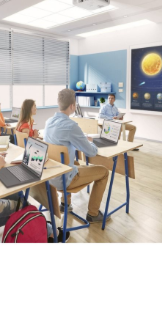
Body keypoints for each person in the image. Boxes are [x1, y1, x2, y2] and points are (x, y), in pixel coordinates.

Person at [42, 88, 110, 223]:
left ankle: (65, 204)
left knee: (74, 163)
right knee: (104, 172)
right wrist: (90, 142)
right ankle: (93, 214)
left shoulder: (48, 121)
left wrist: (80, 139)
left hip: (50, 176)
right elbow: (91, 152)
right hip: (64, 179)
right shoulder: (71, 126)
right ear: (72, 106)